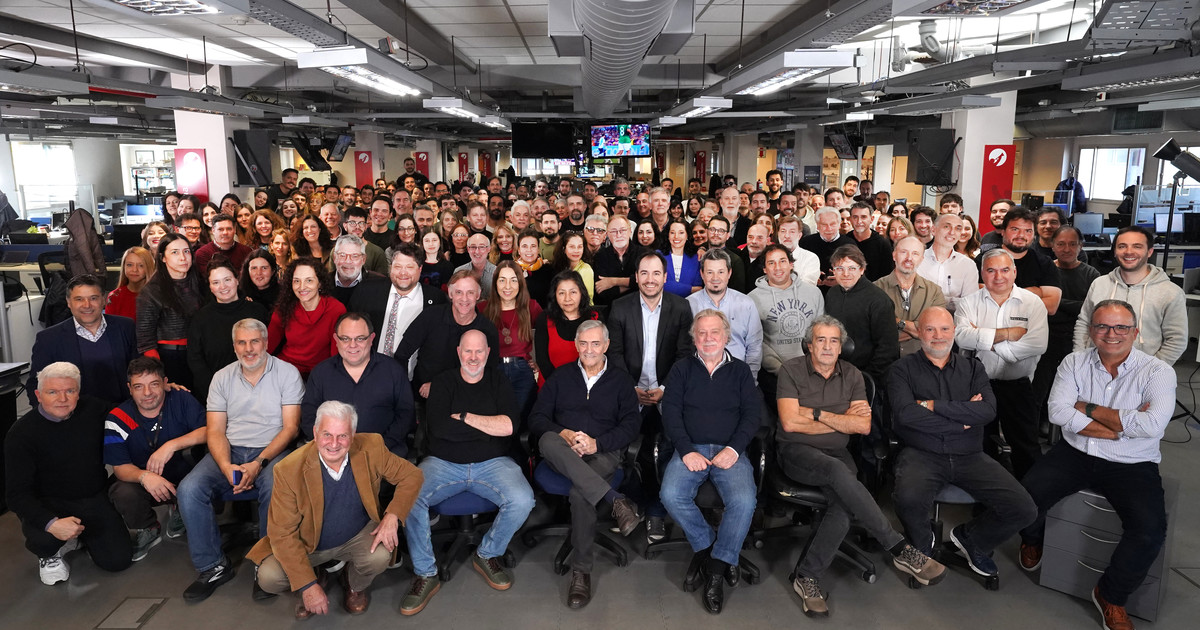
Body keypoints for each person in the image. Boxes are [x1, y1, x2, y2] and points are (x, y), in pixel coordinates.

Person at [777, 316, 945, 618]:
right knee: (839, 473)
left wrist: (814, 413)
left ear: (841, 347)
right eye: (820, 340)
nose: (827, 347)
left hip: (837, 454)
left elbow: (863, 426)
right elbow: (789, 423)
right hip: (796, 452)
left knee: (843, 504)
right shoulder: (791, 370)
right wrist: (842, 421)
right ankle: (898, 548)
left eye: (834, 341)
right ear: (809, 345)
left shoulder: (853, 375)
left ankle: (806, 577)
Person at [1020, 300, 1172, 630]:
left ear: (1135, 332)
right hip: (1075, 452)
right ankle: (1032, 539)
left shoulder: (1158, 372)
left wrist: (1086, 407)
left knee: (1149, 531)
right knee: (1026, 498)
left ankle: (1111, 595)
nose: (1111, 334)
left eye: (1121, 327)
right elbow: (1058, 412)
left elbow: (1151, 426)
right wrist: (1120, 426)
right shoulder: (1074, 362)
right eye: (1102, 326)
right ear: (1091, 331)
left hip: (1131, 461)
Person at [889, 306, 1037, 577]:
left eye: (945, 329)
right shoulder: (901, 369)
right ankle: (922, 545)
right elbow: (906, 415)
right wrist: (962, 419)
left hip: (970, 455)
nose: (938, 335)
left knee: (1024, 508)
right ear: (919, 332)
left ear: (954, 332)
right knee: (907, 498)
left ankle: (973, 539)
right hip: (922, 453)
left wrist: (932, 405)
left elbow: (987, 411)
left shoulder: (973, 368)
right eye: (930, 329)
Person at [399, 330, 535, 615]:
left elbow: (509, 426)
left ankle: (487, 553)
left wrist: (464, 417)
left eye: (479, 351)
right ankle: (425, 573)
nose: (473, 357)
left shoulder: (499, 380)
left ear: (488, 353)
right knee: (409, 497)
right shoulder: (444, 382)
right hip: (443, 463)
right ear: (459, 352)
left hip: (493, 463)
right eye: (468, 351)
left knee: (523, 499)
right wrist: (488, 428)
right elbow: (439, 429)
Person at [248, 401, 424, 619]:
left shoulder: (372, 446)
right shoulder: (288, 470)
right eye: (327, 435)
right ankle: (313, 577)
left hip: (357, 534)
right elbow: (282, 534)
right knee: (269, 577)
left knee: (380, 555)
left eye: (342, 436)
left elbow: (412, 475)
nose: (334, 443)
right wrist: (307, 585)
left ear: (353, 435)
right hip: (308, 545)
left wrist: (392, 516)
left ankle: (353, 584)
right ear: (315, 433)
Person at [177, 318, 303, 602]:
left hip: (272, 451)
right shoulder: (222, 377)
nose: (249, 349)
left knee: (276, 485)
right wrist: (226, 467)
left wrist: (259, 463)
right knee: (189, 489)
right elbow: (215, 430)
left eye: (254, 341)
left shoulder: (287, 373)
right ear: (234, 347)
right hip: (230, 450)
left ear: (266, 342)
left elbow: (291, 428)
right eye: (241, 343)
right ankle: (213, 567)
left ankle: (267, 565)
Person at [528, 320, 644, 608]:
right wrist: (564, 433)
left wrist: (597, 443)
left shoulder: (621, 381)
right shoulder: (561, 377)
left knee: (581, 493)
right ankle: (615, 500)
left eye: (595, 343)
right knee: (547, 440)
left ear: (606, 346)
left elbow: (631, 425)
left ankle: (581, 572)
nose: (589, 349)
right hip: (562, 451)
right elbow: (537, 418)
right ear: (576, 345)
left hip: (603, 452)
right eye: (583, 343)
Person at [659, 309, 760, 614]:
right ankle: (713, 548)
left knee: (744, 501)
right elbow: (671, 414)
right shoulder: (681, 369)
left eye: (714, 332)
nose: (708, 338)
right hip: (691, 448)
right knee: (670, 495)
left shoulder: (741, 371)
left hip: (731, 450)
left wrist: (734, 449)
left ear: (726, 336)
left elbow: (752, 416)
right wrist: (686, 450)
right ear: (694, 338)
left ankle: (715, 570)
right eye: (701, 333)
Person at [6, 362, 133, 585]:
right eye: (52, 392)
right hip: (48, 504)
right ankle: (49, 553)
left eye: (70, 391)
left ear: (78, 393)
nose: (62, 399)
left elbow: (128, 411)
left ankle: (79, 538)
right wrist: (51, 523)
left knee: (118, 561)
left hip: (92, 497)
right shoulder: (21, 434)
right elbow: (16, 495)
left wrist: (159, 391)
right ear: (38, 395)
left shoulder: (92, 408)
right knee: (44, 538)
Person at [606, 250, 696, 541]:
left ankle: (657, 513)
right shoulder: (620, 307)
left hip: (666, 391)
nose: (650, 279)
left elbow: (684, 355)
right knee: (623, 451)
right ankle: (632, 505)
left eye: (656, 273)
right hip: (629, 390)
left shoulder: (680, 307)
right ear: (636, 277)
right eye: (644, 273)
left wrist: (664, 389)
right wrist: (631, 388)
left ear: (665, 277)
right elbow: (614, 354)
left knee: (665, 450)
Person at [956, 248, 1048, 480]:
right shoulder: (968, 303)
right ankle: (986, 494)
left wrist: (985, 340)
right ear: (982, 273)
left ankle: (1031, 495)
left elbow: (1037, 344)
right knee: (981, 444)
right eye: (991, 270)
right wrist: (1008, 333)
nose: (999, 276)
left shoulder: (1032, 303)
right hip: (978, 386)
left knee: (1026, 446)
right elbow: (962, 338)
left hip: (1018, 386)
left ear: (1014, 272)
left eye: (1005, 270)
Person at [104, 357, 206, 561]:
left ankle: (181, 508)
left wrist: (171, 445)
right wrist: (145, 477)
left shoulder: (181, 399)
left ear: (165, 383)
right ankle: (148, 527)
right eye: (138, 386)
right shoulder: (117, 418)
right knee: (122, 491)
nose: (147, 393)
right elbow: (120, 467)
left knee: (207, 474)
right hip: (147, 484)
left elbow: (209, 430)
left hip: (185, 474)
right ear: (129, 388)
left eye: (154, 384)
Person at [300, 312, 414, 456]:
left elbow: (406, 415)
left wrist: (381, 446)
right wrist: (331, 446)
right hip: (332, 453)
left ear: (371, 339)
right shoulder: (321, 372)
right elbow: (309, 417)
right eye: (345, 339)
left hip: (384, 452)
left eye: (360, 338)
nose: (352, 345)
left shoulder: (393, 370)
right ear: (336, 339)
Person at [1073, 225, 1186, 365]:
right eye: (1122, 246)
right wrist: (1079, 360)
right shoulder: (1099, 284)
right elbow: (1084, 323)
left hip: (1144, 372)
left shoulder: (1170, 292)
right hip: (1095, 368)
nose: (1129, 252)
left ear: (1150, 251)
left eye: (1137, 246)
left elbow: (1177, 340)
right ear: (1115, 251)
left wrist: (1151, 370)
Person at [1031, 225, 1102, 440]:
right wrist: (1073, 306)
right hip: (1045, 336)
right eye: (1061, 244)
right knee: (1039, 388)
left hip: (1077, 338)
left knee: (1069, 387)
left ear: (1081, 246)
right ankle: (1034, 428)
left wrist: (1055, 302)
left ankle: (1065, 429)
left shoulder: (1091, 274)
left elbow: (1091, 309)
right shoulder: (1044, 269)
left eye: (1073, 244)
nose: (1067, 249)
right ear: (1052, 246)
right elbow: (1034, 303)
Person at [28, 274, 137, 407]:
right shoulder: (49, 338)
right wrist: (50, 416)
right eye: (79, 299)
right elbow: (36, 384)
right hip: (74, 414)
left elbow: (139, 372)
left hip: (123, 409)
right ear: (69, 302)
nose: (87, 305)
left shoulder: (126, 327)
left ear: (104, 300)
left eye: (93, 298)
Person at [395, 270, 501, 402]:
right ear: (450, 294)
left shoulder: (488, 330)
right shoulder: (430, 316)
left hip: (466, 400)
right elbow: (401, 355)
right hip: (423, 399)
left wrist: (439, 386)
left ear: (478, 295)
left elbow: (488, 374)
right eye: (459, 292)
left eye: (470, 292)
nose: (464, 298)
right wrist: (404, 392)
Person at [187, 258, 270, 402]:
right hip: (217, 394)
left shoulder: (257, 311)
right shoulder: (200, 319)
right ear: (210, 287)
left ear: (237, 280)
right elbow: (195, 360)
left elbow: (269, 350)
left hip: (259, 391)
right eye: (216, 282)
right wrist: (215, 392)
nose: (223, 286)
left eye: (227, 280)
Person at [349, 242, 447, 363]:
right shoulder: (366, 291)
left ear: (420, 269)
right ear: (390, 268)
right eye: (398, 267)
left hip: (412, 372)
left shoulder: (436, 299)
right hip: (369, 367)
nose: (403, 273)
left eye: (409, 267)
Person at [750, 244, 824, 403]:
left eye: (782, 261)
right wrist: (781, 370)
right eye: (771, 263)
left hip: (813, 373)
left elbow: (821, 333)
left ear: (791, 264)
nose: (777, 267)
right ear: (764, 269)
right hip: (775, 377)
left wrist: (814, 367)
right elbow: (757, 342)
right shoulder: (752, 299)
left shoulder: (814, 293)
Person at [479, 261, 544, 423]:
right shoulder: (482, 309)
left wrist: (538, 361)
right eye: (502, 280)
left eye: (513, 280)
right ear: (495, 283)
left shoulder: (531, 307)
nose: (507, 286)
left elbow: (546, 336)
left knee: (518, 420)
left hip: (522, 370)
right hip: (492, 370)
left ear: (520, 283)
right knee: (495, 418)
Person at [137, 233, 204, 389]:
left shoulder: (201, 283)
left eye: (186, 251)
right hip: (171, 358)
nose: (183, 257)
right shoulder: (151, 291)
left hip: (200, 353)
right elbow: (146, 340)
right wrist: (159, 376)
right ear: (163, 257)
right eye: (175, 252)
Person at [823, 245, 898, 382]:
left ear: (862, 269)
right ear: (833, 270)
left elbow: (888, 349)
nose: (846, 274)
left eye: (852, 268)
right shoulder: (832, 294)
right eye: (840, 268)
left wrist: (865, 379)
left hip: (867, 377)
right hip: (834, 374)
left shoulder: (879, 300)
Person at [686, 248, 763, 380]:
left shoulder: (746, 304)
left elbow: (754, 345)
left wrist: (749, 379)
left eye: (721, 272)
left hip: (739, 377)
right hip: (701, 378)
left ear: (729, 273)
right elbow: (685, 348)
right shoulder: (689, 304)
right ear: (702, 274)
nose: (715, 278)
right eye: (710, 272)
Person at [268, 258, 346, 380]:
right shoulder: (284, 308)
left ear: (319, 283)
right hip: (287, 369)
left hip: (320, 372)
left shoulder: (335, 310)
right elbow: (267, 344)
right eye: (296, 281)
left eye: (309, 280)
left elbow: (336, 355)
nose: (302, 287)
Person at [876, 236, 947, 356]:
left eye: (915, 254)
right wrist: (917, 329)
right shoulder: (875, 289)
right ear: (894, 255)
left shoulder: (934, 291)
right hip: (883, 360)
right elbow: (875, 332)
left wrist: (897, 322)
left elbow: (935, 332)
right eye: (904, 252)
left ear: (921, 259)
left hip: (922, 361)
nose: (909, 258)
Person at [986, 206, 1062, 316]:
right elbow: (985, 302)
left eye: (1028, 231)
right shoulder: (985, 260)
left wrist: (1004, 296)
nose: (1021, 235)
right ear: (1003, 231)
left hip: (1032, 326)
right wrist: (1034, 292)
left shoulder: (1045, 263)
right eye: (1015, 229)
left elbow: (1051, 307)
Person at [534, 271, 599, 381]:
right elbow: (542, 360)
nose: (567, 298)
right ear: (555, 295)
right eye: (561, 293)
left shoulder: (595, 317)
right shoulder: (544, 319)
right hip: (552, 384)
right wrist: (562, 386)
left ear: (581, 293)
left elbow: (603, 357)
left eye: (573, 292)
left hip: (590, 384)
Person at [918, 213, 978, 313]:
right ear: (933, 230)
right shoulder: (917, 260)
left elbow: (970, 305)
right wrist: (953, 301)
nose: (952, 232)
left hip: (954, 321)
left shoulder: (968, 265)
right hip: (918, 320)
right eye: (946, 227)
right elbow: (912, 299)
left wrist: (933, 299)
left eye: (958, 228)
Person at [592, 215, 642, 308]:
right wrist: (633, 284)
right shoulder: (600, 256)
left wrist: (613, 281)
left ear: (630, 231)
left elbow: (645, 282)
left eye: (622, 230)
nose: (618, 235)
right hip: (612, 309)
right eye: (614, 231)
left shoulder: (643, 254)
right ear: (607, 234)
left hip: (639, 307)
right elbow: (602, 292)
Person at [799, 207, 854, 287]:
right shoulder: (805, 243)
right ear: (817, 226)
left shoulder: (850, 245)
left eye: (832, 224)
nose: (829, 229)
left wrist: (841, 279)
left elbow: (857, 272)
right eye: (824, 225)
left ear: (839, 224)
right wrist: (811, 276)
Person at [106, 246, 154, 322]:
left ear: (148, 267)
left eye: (141, 265)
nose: (134, 270)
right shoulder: (114, 296)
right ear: (124, 266)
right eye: (129, 265)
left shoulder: (156, 297)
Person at [847, 203, 894, 281]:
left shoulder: (882, 243)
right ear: (850, 219)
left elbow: (887, 275)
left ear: (871, 219)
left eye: (863, 217)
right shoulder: (845, 241)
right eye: (855, 217)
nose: (859, 221)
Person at [663, 218, 703, 297]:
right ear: (668, 235)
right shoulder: (658, 256)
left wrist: (672, 286)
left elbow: (698, 289)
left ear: (687, 235)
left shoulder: (695, 259)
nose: (676, 236)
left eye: (681, 233)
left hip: (689, 302)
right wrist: (690, 289)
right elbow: (659, 284)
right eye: (672, 233)